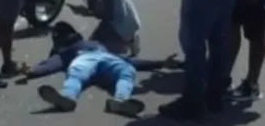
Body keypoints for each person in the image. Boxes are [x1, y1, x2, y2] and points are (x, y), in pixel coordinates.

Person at [15, 22, 183, 117]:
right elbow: (132, 61)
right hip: (108, 59)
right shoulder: (93, 45)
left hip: (88, 59)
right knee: (126, 71)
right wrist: (160, 63)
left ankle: (68, 97)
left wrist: (33, 70)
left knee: (77, 74)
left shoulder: (68, 50)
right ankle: (120, 100)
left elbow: (53, 63)